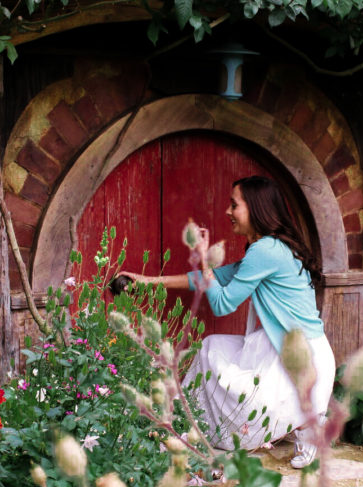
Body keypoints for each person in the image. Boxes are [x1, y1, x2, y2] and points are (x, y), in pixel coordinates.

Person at [124, 176, 335, 468]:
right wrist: (147, 282)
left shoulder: (266, 251)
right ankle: (187, 419)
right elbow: (211, 279)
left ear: (256, 209)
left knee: (253, 404)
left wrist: (203, 256)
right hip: (286, 346)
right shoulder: (265, 249)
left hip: (303, 357)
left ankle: (309, 426)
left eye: (234, 204)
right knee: (213, 347)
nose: (227, 211)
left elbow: (222, 304)